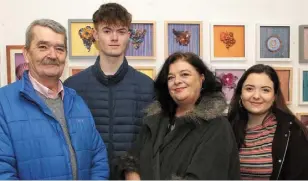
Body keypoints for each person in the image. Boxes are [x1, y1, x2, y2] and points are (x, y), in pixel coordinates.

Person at [0, 19, 109, 180]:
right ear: (27, 53)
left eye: (59, 48)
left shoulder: (77, 101)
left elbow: (98, 158)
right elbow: (3, 172)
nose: (52, 55)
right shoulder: (3, 103)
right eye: (43, 47)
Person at [114, 52, 241, 180]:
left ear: (201, 78)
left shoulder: (217, 126)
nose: (177, 81)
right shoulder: (153, 120)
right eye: (170, 77)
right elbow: (132, 161)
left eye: (185, 74)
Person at [63, 2, 154, 169]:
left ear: (129, 35)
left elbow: (153, 143)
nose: (114, 38)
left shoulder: (148, 87)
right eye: (107, 31)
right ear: (96, 35)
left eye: (121, 31)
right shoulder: (72, 87)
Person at [228, 64, 308, 180]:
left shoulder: (293, 131)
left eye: (265, 90)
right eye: (249, 89)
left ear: (274, 96)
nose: (256, 96)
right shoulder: (226, 127)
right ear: (240, 93)